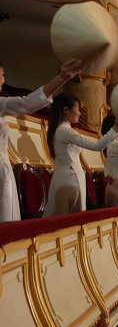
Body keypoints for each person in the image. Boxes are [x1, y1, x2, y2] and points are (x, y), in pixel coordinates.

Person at [0, 58, 85, 221]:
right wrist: (61, 78)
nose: (3, 80)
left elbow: (28, 103)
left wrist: (62, 78)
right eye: (2, 74)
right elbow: (27, 103)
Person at [44, 94, 118, 216]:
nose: (79, 113)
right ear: (66, 110)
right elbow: (97, 145)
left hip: (69, 177)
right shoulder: (64, 130)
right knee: (68, 221)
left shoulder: (61, 130)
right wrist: (115, 128)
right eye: (77, 109)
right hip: (69, 180)